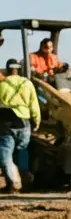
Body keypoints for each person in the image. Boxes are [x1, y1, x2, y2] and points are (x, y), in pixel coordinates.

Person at [0, 59, 41, 194]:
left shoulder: (2, 85)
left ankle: (12, 183)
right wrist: (36, 121)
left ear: (6, 70)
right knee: (22, 151)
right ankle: (26, 181)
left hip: (6, 124)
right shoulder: (27, 84)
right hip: (24, 123)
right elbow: (34, 105)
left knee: (6, 155)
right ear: (19, 70)